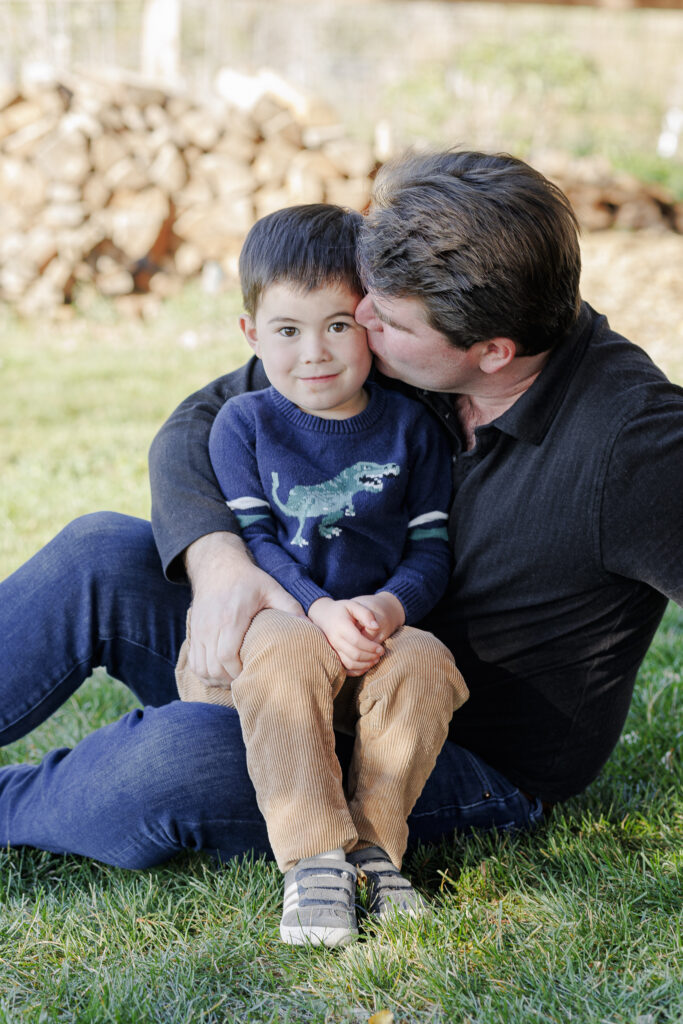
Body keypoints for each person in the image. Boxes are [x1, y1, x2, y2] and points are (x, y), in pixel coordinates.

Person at [0, 150, 680, 915]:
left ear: (492, 351)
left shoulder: (637, 446)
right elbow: (199, 422)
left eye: (383, 320)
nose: (357, 323)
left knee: (179, 754)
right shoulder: (395, 343)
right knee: (100, 550)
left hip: (446, 747)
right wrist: (220, 562)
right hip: (297, 651)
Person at [174, 204, 468, 946]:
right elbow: (258, 544)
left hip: (367, 634)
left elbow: (429, 552)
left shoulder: (410, 430)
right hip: (279, 627)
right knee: (287, 644)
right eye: (287, 330)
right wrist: (318, 608)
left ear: (370, 323)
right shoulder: (243, 424)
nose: (315, 353)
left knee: (427, 661)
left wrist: (386, 609)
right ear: (250, 334)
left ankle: (373, 851)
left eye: (338, 325)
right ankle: (312, 860)